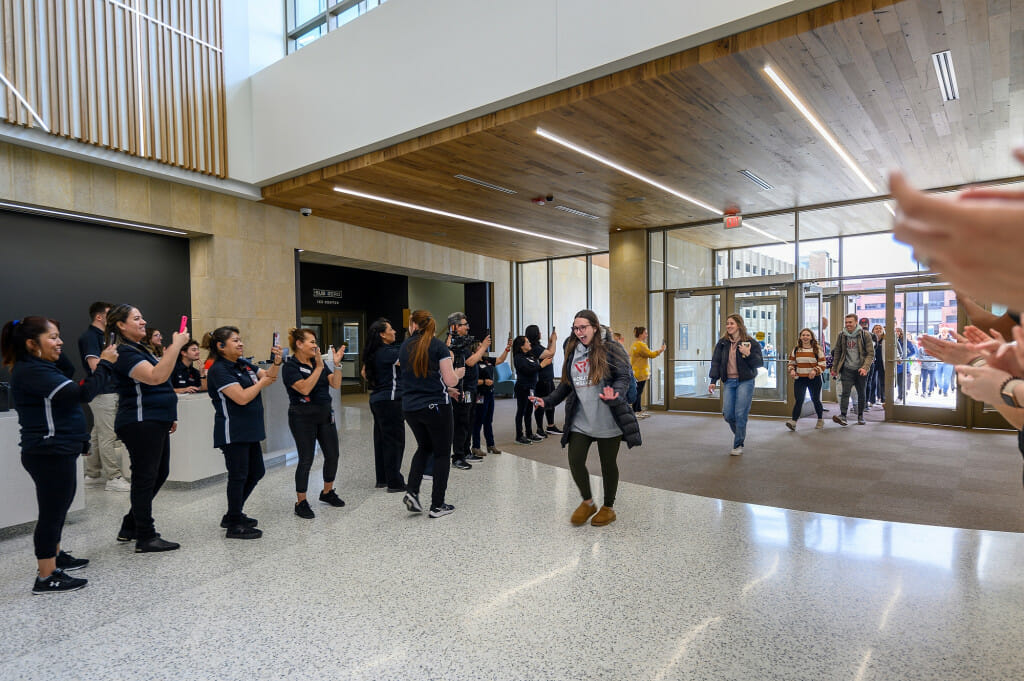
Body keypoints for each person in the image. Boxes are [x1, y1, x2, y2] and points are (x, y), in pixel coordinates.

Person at [4, 316, 118, 594]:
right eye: (53, 337)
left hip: (58, 449)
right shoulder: (32, 371)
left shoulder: (41, 366)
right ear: (32, 344)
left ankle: (55, 556)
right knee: (51, 514)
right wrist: (104, 363)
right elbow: (83, 393)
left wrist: (52, 347)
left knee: (58, 508)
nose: (60, 342)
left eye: (59, 336)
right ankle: (46, 576)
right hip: (48, 452)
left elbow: (66, 368)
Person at [529, 310, 641, 527]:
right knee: (575, 459)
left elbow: (623, 376)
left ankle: (608, 507)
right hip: (581, 419)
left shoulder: (611, 348)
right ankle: (588, 502)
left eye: (583, 328)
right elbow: (566, 384)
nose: (579, 332)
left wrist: (615, 393)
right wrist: (547, 401)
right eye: (575, 328)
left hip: (608, 419)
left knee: (608, 464)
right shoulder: (572, 349)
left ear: (595, 327)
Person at [105, 303, 188, 553]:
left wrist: (168, 414)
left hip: (156, 420)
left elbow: (160, 384)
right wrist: (175, 347)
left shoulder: (140, 348)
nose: (143, 322)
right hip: (141, 422)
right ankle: (145, 536)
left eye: (143, 318)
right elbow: (155, 377)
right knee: (144, 478)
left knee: (159, 474)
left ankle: (131, 524)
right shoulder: (125, 352)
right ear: (121, 324)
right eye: (137, 318)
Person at [205, 326, 281, 538]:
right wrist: (263, 382)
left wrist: (276, 363)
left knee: (256, 471)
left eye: (240, 340)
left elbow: (270, 377)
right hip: (233, 431)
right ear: (221, 346)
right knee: (238, 476)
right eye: (235, 340)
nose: (240, 344)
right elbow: (241, 398)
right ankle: (234, 525)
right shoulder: (219, 370)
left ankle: (233, 513)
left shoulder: (242, 363)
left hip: (250, 429)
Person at [400, 310, 463, 519]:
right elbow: (450, 380)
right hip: (436, 407)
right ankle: (437, 505)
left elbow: (417, 377)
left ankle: (412, 491)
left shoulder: (404, 346)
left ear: (414, 325)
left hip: (410, 408)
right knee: (443, 453)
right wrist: (459, 373)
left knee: (424, 447)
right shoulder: (438, 346)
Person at [281, 329, 346, 519]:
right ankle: (301, 502)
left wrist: (337, 365)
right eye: (311, 342)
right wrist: (319, 367)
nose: (315, 345)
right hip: (302, 417)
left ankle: (327, 492)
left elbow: (335, 384)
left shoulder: (316, 363)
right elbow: (304, 388)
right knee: (306, 459)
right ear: (299, 344)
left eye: (315, 341)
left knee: (333, 455)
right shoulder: (290, 367)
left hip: (324, 414)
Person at [76, 301, 130, 491]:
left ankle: (92, 474)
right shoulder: (90, 337)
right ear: (99, 316)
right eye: (110, 313)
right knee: (108, 435)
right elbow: (94, 365)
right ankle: (114, 477)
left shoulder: (106, 336)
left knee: (98, 433)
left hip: (111, 389)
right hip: (102, 392)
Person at [708, 313, 764, 455]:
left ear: (739, 325)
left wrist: (748, 353)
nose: (728, 326)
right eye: (727, 323)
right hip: (729, 382)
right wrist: (713, 381)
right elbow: (716, 362)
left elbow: (759, 363)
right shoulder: (722, 343)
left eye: (731, 323)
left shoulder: (750, 342)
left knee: (740, 413)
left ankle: (738, 444)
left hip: (745, 381)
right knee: (728, 414)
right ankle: (740, 433)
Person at [362, 318, 406, 492]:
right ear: (382, 334)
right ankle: (394, 482)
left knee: (381, 440)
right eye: (391, 329)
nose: (394, 331)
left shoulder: (373, 353)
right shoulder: (389, 352)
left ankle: (383, 478)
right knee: (395, 442)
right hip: (391, 400)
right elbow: (410, 361)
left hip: (377, 400)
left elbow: (364, 374)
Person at [446, 312, 490, 469]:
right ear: (455, 326)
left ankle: (465, 450)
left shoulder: (463, 343)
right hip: (460, 389)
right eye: (465, 325)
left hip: (471, 388)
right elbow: (470, 362)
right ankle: (457, 456)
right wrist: (483, 347)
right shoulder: (452, 344)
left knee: (469, 420)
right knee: (461, 422)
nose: (468, 327)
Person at [471, 338, 512, 457]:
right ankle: (476, 446)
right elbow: (472, 381)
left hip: (490, 394)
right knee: (478, 421)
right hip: (480, 395)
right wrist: (483, 381)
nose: (482, 347)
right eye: (479, 346)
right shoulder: (473, 363)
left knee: (488, 421)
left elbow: (500, 360)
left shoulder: (487, 360)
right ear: (474, 349)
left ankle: (491, 445)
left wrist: (507, 349)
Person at [830, 313, 873, 426]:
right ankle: (843, 416)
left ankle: (860, 416)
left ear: (856, 322)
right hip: (847, 369)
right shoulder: (842, 335)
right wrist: (835, 368)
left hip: (861, 370)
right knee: (845, 393)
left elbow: (870, 354)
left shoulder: (865, 335)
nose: (848, 324)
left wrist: (865, 368)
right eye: (846, 322)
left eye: (850, 322)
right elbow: (837, 352)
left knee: (861, 393)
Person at [512, 335, 551, 445]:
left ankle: (529, 433)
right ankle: (519, 436)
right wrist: (541, 365)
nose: (529, 343)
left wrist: (540, 365)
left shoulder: (530, 355)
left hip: (531, 388)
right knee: (521, 411)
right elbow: (528, 370)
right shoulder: (518, 358)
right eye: (527, 342)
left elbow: (534, 368)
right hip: (522, 387)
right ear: (521, 346)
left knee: (529, 411)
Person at [785, 328, 827, 431]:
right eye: (803, 335)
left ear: (811, 337)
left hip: (814, 379)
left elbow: (823, 364)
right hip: (800, 379)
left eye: (808, 335)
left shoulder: (817, 349)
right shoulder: (796, 350)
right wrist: (792, 370)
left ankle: (820, 419)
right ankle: (793, 422)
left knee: (815, 399)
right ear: (800, 337)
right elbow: (791, 363)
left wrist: (815, 371)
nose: (805, 337)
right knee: (799, 400)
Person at [525, 325, 559, 435]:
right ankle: (540, 428)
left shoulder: (538, 347)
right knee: (540, 404)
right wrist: (554, 341)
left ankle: (551, 426)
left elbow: (547, 352)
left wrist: (550, 342)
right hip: (541, 381)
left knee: (551, 402)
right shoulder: (533, 348)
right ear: (536, 334)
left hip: (548, 379)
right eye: (539, 331)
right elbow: (551, 353)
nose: (541, 333)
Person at [629, 326, 665, 419]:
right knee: (638, 392)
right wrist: (661, 350)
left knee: (638, 392)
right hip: (640, 372)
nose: (647, 335)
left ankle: (638, 410)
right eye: (645, 333)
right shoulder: (641, 345)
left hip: (636, 371)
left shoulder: (634, 344)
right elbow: (651, 354)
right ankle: (636, 411)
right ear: (641, 334)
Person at [893, 327, 916, 402]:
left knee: (900, 382)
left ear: (901, 333)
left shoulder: (905, 341)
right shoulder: (890, 341)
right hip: (893, 364)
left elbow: (913, 352)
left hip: (902, 364)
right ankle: (901, 394)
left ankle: (900, 397)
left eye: (898, 331)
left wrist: (904, 357)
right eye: (895, 331)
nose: (897, 333)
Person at [867, 324, 886, 406]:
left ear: (883, 330)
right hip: (873, 362)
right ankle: (872, 400)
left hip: (883, 363)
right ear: (873, 330)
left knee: (883, 382)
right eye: (876, 328)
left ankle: (884, 400)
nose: (878, 330)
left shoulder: (886, 340)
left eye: (880, 328)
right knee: (872, 381)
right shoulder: (870, 339)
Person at [935, 327, 956, 397]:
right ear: (940, 332)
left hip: (948, 362)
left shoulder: (952, 341)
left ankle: (945, 391)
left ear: (948, 333)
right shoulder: (935, 340)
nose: (943, 333)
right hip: (938, 362)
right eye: (942, 332)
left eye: (945, 332)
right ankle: (941, 387)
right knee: (938, 378)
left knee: (947, 379)